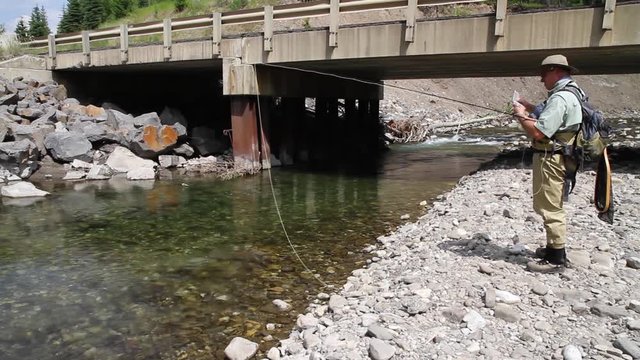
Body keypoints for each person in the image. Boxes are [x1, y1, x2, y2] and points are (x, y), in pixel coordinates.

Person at [512, 54, 584, 272]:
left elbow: (539, 132)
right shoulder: (573, 91)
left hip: (552, 159)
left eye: (543, 74)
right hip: (561, 156)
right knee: (552, 203)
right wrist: (529, 107)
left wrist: (521, 115)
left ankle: (556, 258)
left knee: (550, 206)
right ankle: (553, 247)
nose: (541, 79)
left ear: (555, 70)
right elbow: (552, 118)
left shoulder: (560, 98)